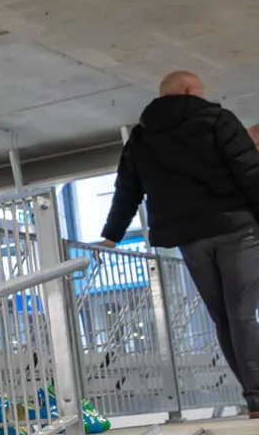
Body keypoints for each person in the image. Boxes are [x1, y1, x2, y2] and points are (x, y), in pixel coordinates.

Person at [103, 72, 259, 417]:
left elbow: (127, 189)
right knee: (242, 313)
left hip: (189, 239)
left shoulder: (141, 138)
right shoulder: (217, 119)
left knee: (223, 318)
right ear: (190, 91)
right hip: (234, 227)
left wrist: (112, 235)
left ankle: (255, 398)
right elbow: (248, 170)